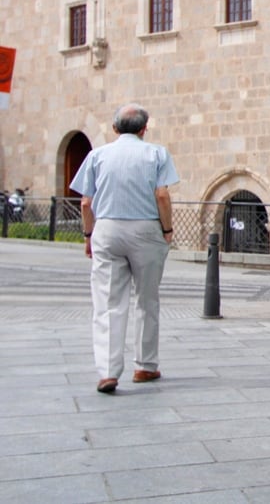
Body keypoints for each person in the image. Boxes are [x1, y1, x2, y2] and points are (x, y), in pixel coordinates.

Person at [70, 104, 179, 393]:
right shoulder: (157, 153)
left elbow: (85, 202)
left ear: (115, 129)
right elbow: (162, 195)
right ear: (145, 129)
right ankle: (145, 366)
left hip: (106, 228)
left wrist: (88, 236)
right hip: (146, 229)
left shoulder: (97, 155)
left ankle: (107, 371)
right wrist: (167, 230)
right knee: (147, 299)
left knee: (107, 302)